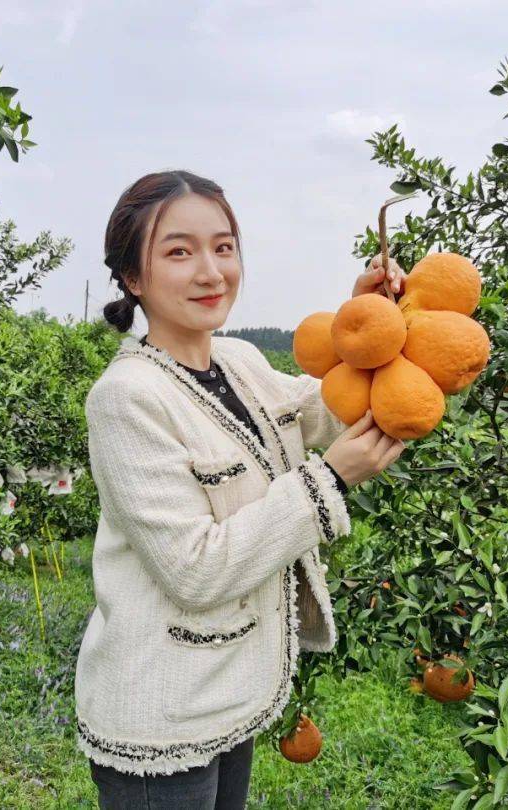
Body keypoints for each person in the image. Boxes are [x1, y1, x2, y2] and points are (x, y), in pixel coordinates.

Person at [75, 170, 407, 809]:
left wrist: (371, 323)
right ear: (132, 278)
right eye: (179, 251)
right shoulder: (126, 399)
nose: (211, 271)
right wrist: (329, 480)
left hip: (229, 688)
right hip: (161, 709)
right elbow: (194, 572)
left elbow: (337, 413)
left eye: (224, 247)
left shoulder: (241, 362)